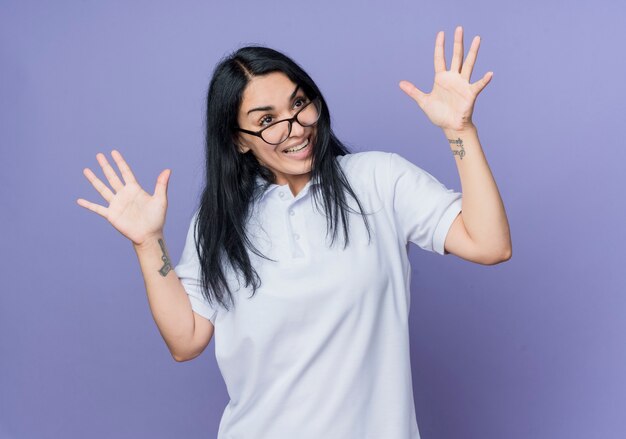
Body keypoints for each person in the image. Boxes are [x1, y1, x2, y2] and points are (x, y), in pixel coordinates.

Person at [77, 25, 511, 439]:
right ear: (238, 140)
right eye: (267, 121)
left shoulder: (377, 179)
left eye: (299, 104)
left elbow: (489, 244)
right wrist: (148, 242)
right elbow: (185, 340)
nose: (295, 127)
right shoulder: (218, 223)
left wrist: (460, 131)